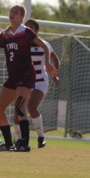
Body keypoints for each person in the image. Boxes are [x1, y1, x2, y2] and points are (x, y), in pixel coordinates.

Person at [0, 5, 58, 152]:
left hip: (26, 75)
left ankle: (24, 144)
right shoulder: (4, 35)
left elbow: (44, 47)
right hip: (12, 77)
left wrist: (47, 62)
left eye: (16, 12)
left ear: (21, 17)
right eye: (11, 11)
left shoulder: (26, 32)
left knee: (20, 107)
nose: (12, 14)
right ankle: (9, 143)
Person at [12, 18, 60, 149]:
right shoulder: (21, 44)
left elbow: (55, 59)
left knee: (32, 107)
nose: (27, 29)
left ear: (36, 31)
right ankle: (19, 140)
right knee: (18, 112)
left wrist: (55, 75)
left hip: (40, 80)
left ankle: (41, 136)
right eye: (25, 27)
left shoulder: (44, 44)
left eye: (30, 27)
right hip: (25, 81)